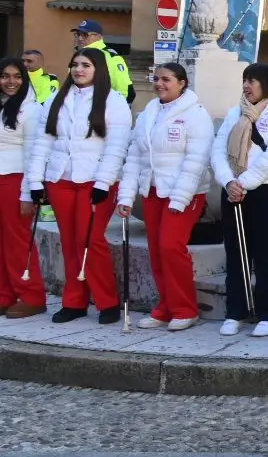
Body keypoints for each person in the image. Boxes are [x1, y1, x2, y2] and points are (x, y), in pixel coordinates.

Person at [26, 48, 132, 324]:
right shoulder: (55, 99)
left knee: (91, 240)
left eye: (86, 65)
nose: (79, 69)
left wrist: (104, 182)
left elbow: (116, 146)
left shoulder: (114, 101)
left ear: (98, 69)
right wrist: (36, 182)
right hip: (60, 178)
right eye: (75, 64)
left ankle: (107, 301)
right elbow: (43, 143)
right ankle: (74, 301)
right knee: (70, 241)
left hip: (95, 181)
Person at [117, 62, 212, 330]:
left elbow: (196, 160)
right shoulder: (149, 112)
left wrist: (179, 199)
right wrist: (125, 197)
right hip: (153, 191)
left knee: (171, 247)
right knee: (157, 252)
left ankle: (185, 308)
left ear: (182, 83)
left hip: (185, 194)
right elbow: (135, 156)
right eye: (156, 78)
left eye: (166, 79)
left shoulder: (196, 114)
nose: (159, 83)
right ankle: (166, 306)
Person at [210, 63, 268, 338]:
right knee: (236, 253)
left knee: (265, 254)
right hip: (233, 191)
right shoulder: (235, 113)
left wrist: (244, 183)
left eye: (253, 81)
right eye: (245, 80)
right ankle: (235, 311)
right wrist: (228, 182)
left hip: (267, 191)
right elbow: (218, 149)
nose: (247, 86)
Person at [0, 58, 45, 318]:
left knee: (18, 241)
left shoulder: (31, 109)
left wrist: (28, 192)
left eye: (17, 76)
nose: (11, 82)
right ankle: (5, 295)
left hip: (15, 179)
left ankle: (31, 295)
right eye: (5, 76)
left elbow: (33, 154)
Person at [69, 20, 133, 103]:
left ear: (99, 37)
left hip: (102, 106)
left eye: (85, 35)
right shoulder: (78, 56)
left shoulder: (110, 57)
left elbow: (123, 88)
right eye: (78, 34)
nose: (80, 38)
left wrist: (115, 107)